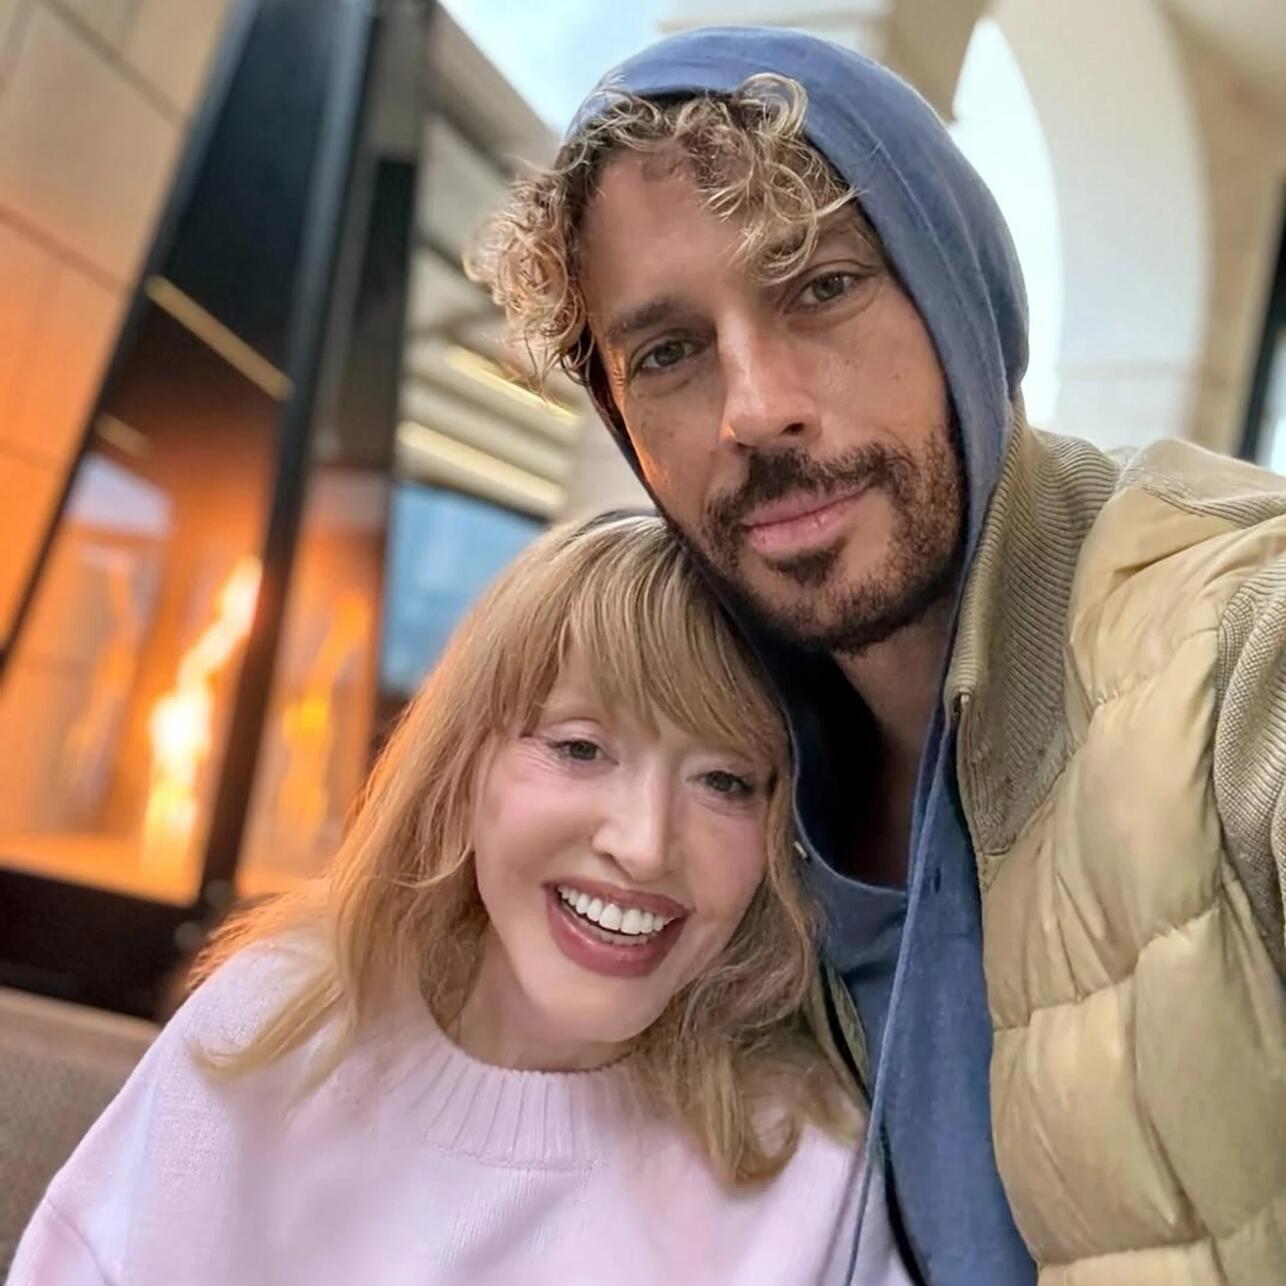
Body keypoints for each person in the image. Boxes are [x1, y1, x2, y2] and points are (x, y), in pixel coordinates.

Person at [467, 26, 1286, 1286]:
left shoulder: (1226, 644)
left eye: (820, 285)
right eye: (667, 353)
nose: (755, 408)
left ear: (954, 291)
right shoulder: (711, 783)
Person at [8, 513, 913, 1286]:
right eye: (579, 749)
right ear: (466, 766)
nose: (643, 844)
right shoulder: (269, 1025)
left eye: (725, 781)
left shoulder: (808, 1176)